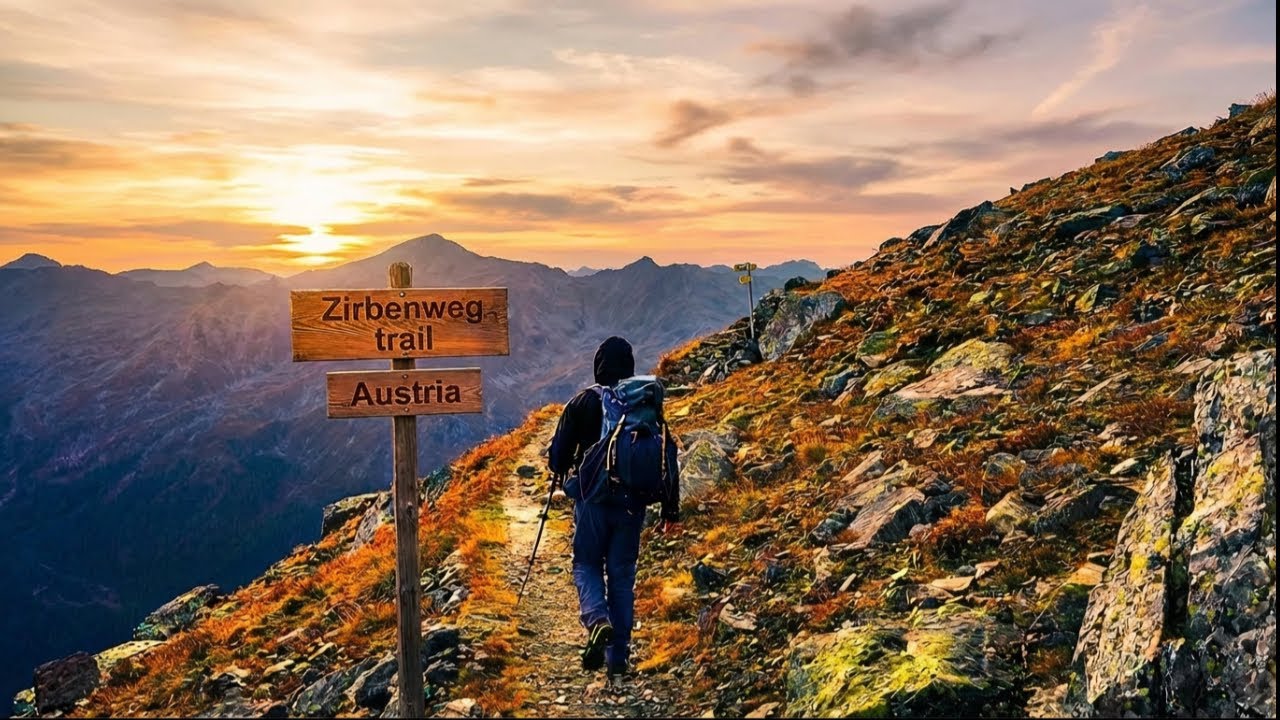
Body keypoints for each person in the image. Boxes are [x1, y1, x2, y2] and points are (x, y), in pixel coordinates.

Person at [548, 336, 681, 677]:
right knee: (621, 578)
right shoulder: (644, 405)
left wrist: (569, 466)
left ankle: (596, 620)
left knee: (587, 562)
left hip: (592, 503)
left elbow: (557, 458)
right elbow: (668, 451)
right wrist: (670, 511)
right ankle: (617, 661)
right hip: (632, 505)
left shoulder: (584, 402)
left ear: (599, 365)